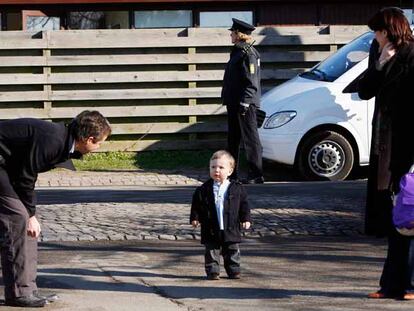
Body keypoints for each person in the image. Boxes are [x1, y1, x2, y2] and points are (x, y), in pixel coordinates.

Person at [0, 110, 111, 307]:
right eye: (99, 142)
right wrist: (31, 214)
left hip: (6, 167)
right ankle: (19, 293)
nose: (99, 146)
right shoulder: (53, 140)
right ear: (89, 139)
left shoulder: (62, 140)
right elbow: (26, 178)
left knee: (25, 222)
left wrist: (31, 214)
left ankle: (27, 289)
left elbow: (23, 171)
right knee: (19, 218)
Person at [356, 7, 414, 299]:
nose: (375, 37)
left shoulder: (412, 55)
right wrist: (380, 64)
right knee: (397, 217)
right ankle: (391, 284)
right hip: (385, 145)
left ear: (389, 30)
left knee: (410, 214)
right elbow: (364, 91)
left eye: (377, 31)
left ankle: (409, 284)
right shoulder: (378, 52)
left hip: (407, 146)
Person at [190, 150, 251, 280]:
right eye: (213, 167)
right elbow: (196, 205)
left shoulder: (237, 188)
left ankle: (234, 270)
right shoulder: (204, 189)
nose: (216, 170)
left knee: (232, 249)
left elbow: (244, 205)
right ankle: (213, 271)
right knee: (211, 250)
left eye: (221, 167)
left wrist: (245, 218)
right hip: (211, 226)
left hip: (230, 226)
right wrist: (195, 218)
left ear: (230, 171)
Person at [221, 18, 264, 184]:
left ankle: (256, 174)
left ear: (239, 34)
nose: (230, 35)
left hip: (244, 104)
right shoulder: (238, 51)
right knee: (233, 140)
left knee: (250, 140)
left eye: (232, 32)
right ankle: (231, 173)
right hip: (234, 103)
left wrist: (245, 103)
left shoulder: (248, 53)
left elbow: (252, 81)